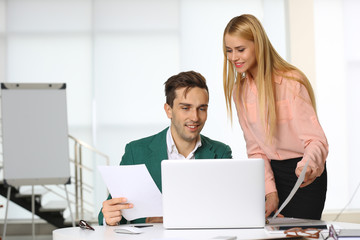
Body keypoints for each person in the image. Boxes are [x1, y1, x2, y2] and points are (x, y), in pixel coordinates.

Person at [222, 14, 328, 220]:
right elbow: (255, 150)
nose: (234, 57)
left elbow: (316, 140)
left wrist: (307, 166)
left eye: (240, 49)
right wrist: (270, 192)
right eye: (229, 50)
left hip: (303, 174)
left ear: (258, 45)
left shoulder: (291, 81)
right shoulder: (239, 91)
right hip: (270, 174)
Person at [98, 70, 232, 225]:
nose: (195, 117)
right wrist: (108, 217)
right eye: (185, 108)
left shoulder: (221, 153)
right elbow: (111, 212)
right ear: (169, 110)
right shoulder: (136, 152)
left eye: (202, 108)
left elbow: (228, 210)